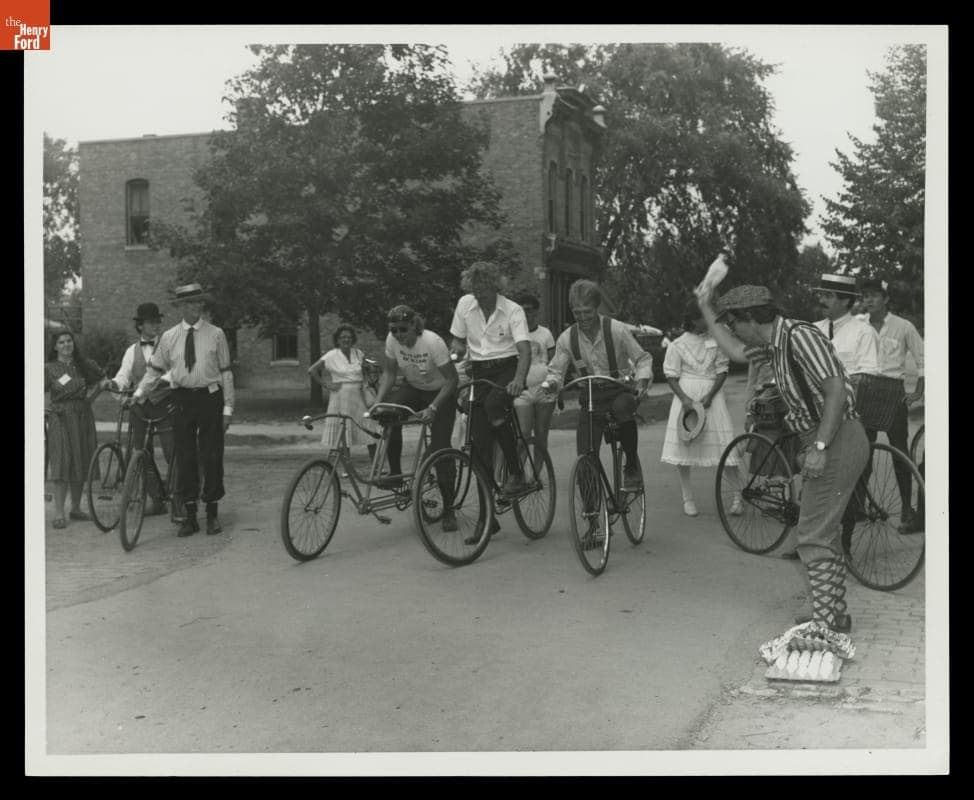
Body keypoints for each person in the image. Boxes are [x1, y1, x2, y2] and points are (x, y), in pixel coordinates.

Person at [696, 282, 869, 634]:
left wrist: (819, 448)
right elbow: (736, 352)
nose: (733, 331)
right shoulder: (773, 344)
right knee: (824, 531)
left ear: (750, 318)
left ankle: (825, 624)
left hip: (837, 437)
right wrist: (705, 307)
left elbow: (835, 387)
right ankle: (833, 612)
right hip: (827, 437)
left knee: (812, 534)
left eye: (734, 323)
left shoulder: (798, 336)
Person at [132, 283, 234, 537]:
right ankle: (190, 516)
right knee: (185, 457)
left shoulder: (216, 334)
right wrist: (139, 393)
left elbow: (226, 372)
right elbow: (155, 370)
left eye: (198, 303)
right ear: (180, 307)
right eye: (189, 303)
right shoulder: (169, 337)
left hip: (210, 399)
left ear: (202, 305)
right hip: (181, 400)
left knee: (211, 456)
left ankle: (211, 514)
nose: (194, 307)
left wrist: (228, 408)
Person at [541, 279, 653, 500]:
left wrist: (641, 383)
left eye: (587, 312)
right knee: (585, 454)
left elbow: (642, 359)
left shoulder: (616, 330)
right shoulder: (567, 339)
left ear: (597, 307)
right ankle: (591, 511)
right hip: (590, 396)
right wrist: (552, 383)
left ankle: (631, 465)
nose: (582, 318)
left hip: (618, 389)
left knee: (623, 408)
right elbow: (556, 371)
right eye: (577, 312)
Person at [449, 261, 531, 509]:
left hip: (506, 368)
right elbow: (459, 340)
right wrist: (458, 349)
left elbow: (524, 351)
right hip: (480, 371)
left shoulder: (513, 310)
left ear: (495, 286)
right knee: (478, 444)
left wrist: (518, 379)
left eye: (483, 287)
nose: (478, 293)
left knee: (496, 404)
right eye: (474, 287)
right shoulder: (465, 305)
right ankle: (486, 518)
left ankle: (516, 472)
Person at [372, 305, 459, 530]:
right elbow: (390, 373)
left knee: (440, 448)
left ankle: (449, 510)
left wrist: (433, 407)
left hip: (440, 392)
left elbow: (452, 380)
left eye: (403, 329)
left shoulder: (432, 342)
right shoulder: (392, 342)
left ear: (414, 325)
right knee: (388, 414)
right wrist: (379, 401)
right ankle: (396, 474)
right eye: (394, 330)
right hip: (413, 388)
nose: (399, 335)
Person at [660, 301, 741, 517]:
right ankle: (687, 497)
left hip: (711, 398)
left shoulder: (715, 342)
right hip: (686, 398)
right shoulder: (677, 344)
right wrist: (685, 399)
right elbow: (671, 375)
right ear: (694, 320)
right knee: (685, 445)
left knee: (725, 446)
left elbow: (722, 370)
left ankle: (737, 495)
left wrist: (711, 394)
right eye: (705, 319)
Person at [861, 277, 925, 533]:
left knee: (900, 454)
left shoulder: (903, 326)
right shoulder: (857, 326)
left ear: (886, 298)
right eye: (865, 296)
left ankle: (907, 510)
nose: (869, 300)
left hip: (893, 392)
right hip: (865, 392)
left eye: (874, 295)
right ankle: (859, 507)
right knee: (862, 453)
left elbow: (923, 360)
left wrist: (917, 392)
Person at [107, 302, 173, 516]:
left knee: (173, 451)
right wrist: (115, 386)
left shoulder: (168, 346)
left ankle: (179, 498)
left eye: (157, 321)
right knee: (140, 453)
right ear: (140, 326)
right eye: (151, 322)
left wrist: (163, 381)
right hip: (141, 408)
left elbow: (176, 372)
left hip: (164, 406)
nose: (156, 325)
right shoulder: (131, 351)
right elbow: (123, 376)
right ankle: (156, 499)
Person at [44, 328, 112, 529]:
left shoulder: (84, 365)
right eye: (62, 342)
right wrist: (46, 410)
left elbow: (103, 380)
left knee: (80, 460)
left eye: (69, 341)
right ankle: (58, 513)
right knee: (63, 462)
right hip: (60, 419)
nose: (66, 345)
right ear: (55, 346)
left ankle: (76, 508)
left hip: (83, 417)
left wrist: (97, 392)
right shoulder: (48, 368)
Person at [308, 324, 382, 465]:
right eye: (343, 337)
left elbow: (368, 370)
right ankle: (347, 467)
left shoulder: (358, 353)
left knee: (368, 427)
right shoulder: (331, 355)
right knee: (343, 429)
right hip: (340, 397)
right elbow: (312, 370)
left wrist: (372, 374)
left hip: (358, 395)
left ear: (352, 339)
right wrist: (327, 385)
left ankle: (376, 466)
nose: (346, 340)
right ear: (337, 340)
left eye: (349, 337)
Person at [512, 292, 556, 453]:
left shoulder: (545, 334)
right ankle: (520, 473)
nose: (526, 314)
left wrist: (558, 387)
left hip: (543, 389)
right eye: (522, 310)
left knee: (541, 434)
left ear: (536, 311)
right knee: (523, 434)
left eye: (529, 310)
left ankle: (537, 473)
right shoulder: (513, 334)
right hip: (522, 390)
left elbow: (554, 363)